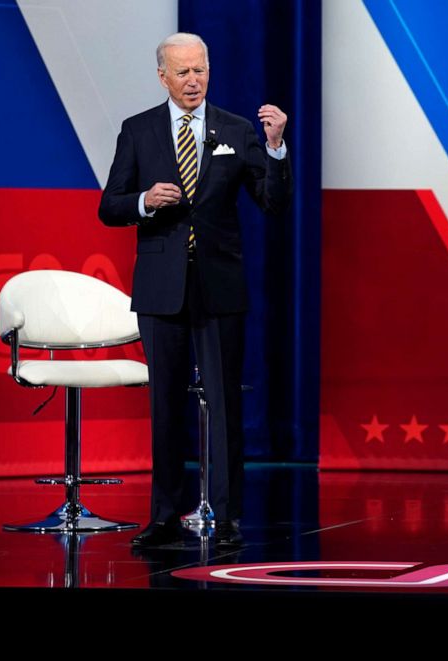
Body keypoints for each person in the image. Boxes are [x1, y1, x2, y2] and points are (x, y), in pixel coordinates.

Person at [99, 32, 292, 547]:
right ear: (162, 76)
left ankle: (227, 516)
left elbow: (271, 202)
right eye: (182, 72)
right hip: (161, 289)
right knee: (165, 406)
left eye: (200, 70)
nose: (193, 81)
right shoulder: (138, 131)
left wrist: (275, 150)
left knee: (225, 404)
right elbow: (109, 205)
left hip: (219, 286)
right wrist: (144, 199)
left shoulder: (236, 128)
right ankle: (163, 515)